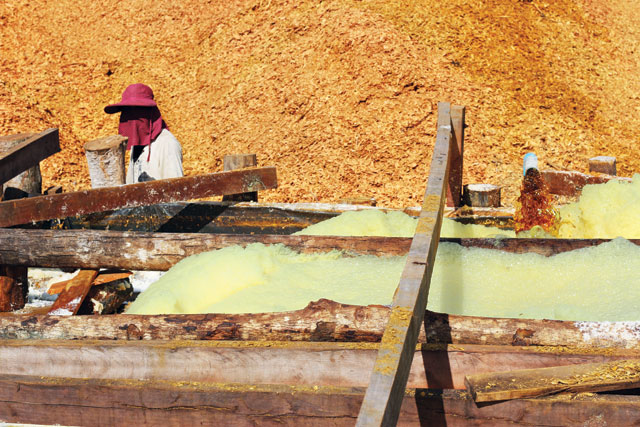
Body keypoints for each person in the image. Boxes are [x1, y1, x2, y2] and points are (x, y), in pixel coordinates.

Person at [104, 83, 183, 184]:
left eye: (134, 112)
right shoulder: (138, 144)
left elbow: (177, 191)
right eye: (126, 112)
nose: (129, 118)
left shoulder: (167, 144)